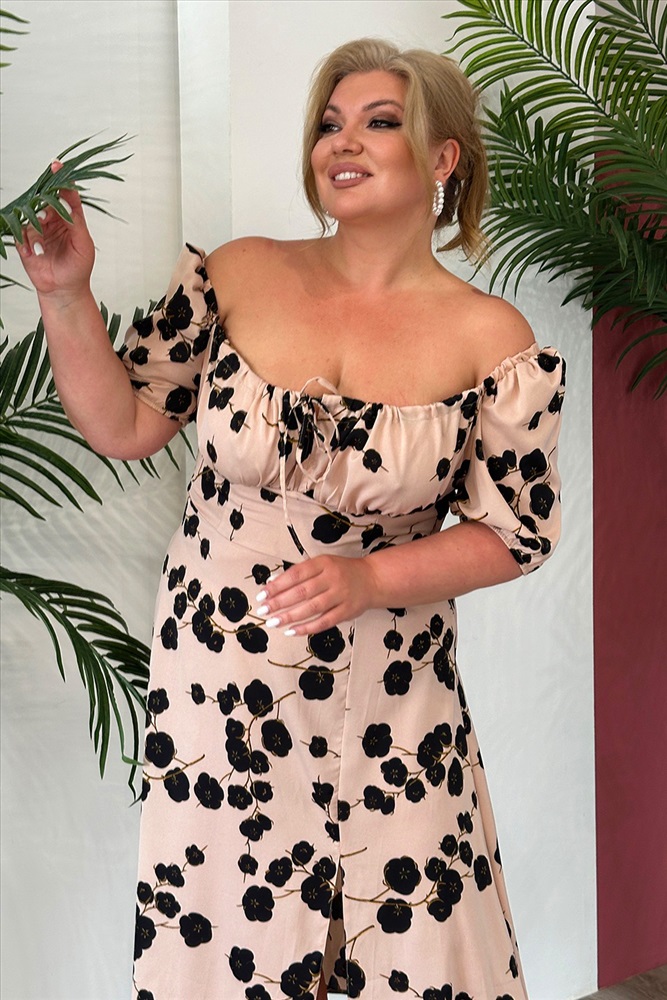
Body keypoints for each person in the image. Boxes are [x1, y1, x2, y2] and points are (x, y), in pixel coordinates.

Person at [17, 37, 564, 1000]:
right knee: (227, 933)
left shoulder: (493, 339)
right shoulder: (237, 274)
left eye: (379, 121)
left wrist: (371, 577)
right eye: (328, 123)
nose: (341, 142)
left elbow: (515, 533)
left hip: (394, 687)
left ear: (443, 156)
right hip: (222, 677)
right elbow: (124, 425)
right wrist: (66, 296)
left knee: (418, 939)